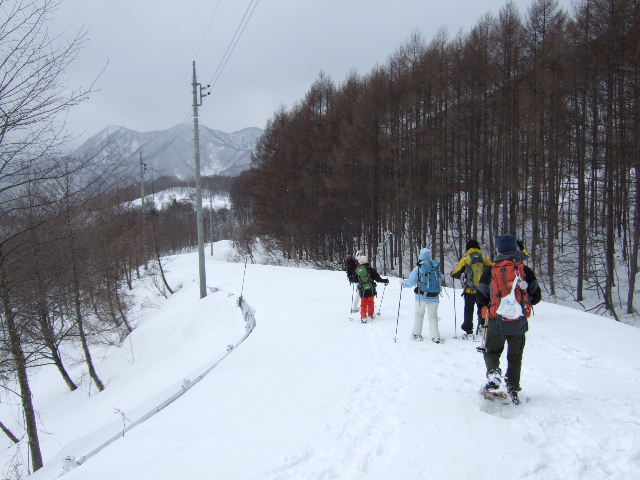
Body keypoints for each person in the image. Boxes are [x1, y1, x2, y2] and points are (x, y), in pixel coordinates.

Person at [476, 234, 542, 405]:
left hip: (496, 320)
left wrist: (485, 313)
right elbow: (536, 296)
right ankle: (513, 388)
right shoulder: (524, 271)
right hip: (518, 322)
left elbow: (481, 297)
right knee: (515, 357)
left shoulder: (490, 270)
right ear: (514, 248)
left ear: (498, 249)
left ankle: (494, 374)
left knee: (492, 352)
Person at [450, 239, 492, 337]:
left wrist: (453, 274)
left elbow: (456, 273)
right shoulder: (484, 258)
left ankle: (468, 330)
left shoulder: (466, 259)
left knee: (468, 309)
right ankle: (482, 326)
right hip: (483, 290)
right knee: (482, 308)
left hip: (470, 290)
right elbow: (492, 268)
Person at [401, 248, 443, 343]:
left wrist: (404, 283)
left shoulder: (419, 267)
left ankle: (416, 334)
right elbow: (442, 278)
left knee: (419, 315)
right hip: (434, 296)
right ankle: (435, 337)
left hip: (421, 297)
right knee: (433, 316)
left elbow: (411, 281)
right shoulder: (435, 266)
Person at [355, 255, 388, 323]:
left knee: (363, 303)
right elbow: (378, 279)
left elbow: (354, 279)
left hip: (362, 289)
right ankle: (370, 315)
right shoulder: (371, 270)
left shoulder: (358, 270)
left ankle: (363, 317)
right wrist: (385, 281)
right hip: (371, 289)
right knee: (371, 302)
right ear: (366, 261)